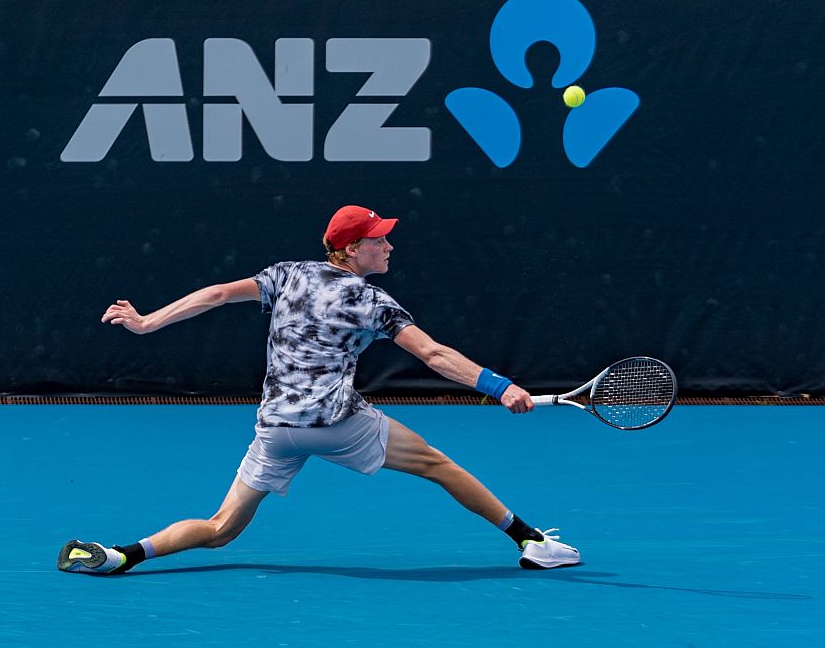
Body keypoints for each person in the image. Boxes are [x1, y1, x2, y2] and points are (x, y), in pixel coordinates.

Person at [57, 205, 579, 575]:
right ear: (352, 250)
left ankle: (121, 555)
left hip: (275, 429)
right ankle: (531, 542)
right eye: (378, 240)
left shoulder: (286, 274)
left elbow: (216, 294)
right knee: (439, 466)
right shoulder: (372, 302)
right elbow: (434, 355)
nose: (389, 245)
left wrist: (147, 322)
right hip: (336, 425)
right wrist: (498, 386)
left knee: (221, 528)